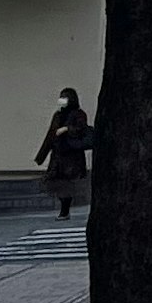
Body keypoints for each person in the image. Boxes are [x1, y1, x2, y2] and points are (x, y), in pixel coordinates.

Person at [35, 88, 93, 222]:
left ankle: (65, 210)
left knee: (67, 182)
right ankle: (64, 209)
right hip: (58, 154)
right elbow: (50, 134)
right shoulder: (58, 115)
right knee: (58, 181)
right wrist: (41, 155)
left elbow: (82, 129)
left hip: (72, 155)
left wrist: (67, 129)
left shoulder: (79, 114)